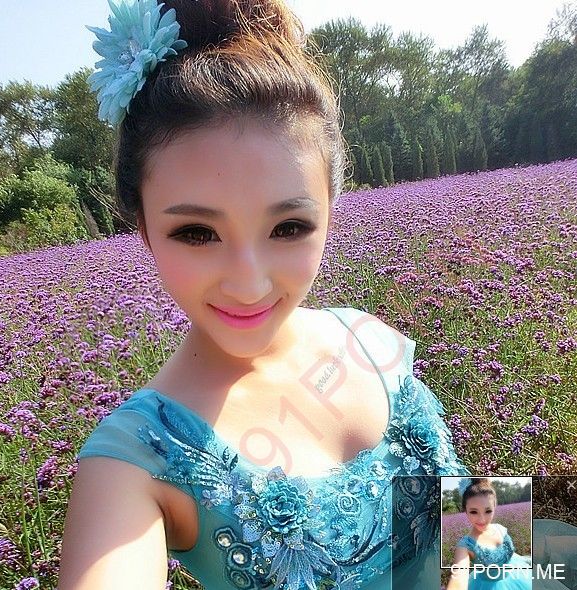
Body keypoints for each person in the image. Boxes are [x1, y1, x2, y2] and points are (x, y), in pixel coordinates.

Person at [58, 1, 469, 589]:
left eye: (289, 227)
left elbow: (478, 523)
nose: (248, 284)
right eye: (196, 233)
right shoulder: (133, 461)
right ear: (143, 229)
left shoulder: (367, 337)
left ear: (330, 209)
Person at [447, 478, 532, 590]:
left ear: (495, 507)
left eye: (488, 511)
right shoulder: (465, 546)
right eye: (474, 512)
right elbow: (458, 578)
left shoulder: (500, 529)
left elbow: (509, 556)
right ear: (465, 511)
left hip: (519, 575)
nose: (482, 519)